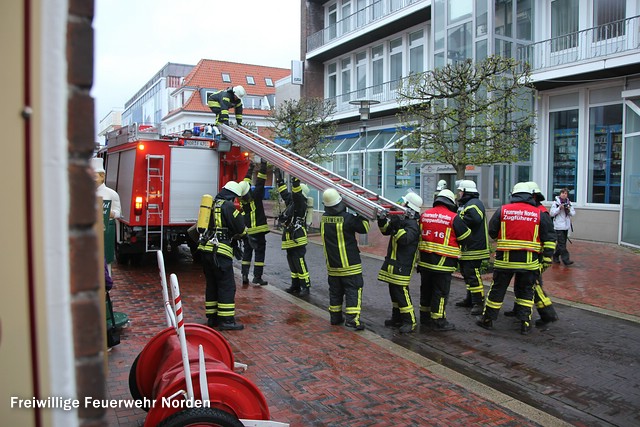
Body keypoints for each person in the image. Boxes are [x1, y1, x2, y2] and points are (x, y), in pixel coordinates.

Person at [477, 182, 556, 335]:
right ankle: (524, 323)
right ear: (529, 196)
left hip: (505, 261)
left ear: (513, 195)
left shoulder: (503, 210)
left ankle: (487, 320)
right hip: (529, 262)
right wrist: (547, 257)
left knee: (497, 290)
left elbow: (492, 231)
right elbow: (549, 237)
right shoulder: (538, 213)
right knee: (526, 291)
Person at [504, 182, 559, 328]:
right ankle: (518, 310)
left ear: (533, 196)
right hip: (527, 255)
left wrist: (547, 257)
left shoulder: (540, 212)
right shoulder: (532, 210)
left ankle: (548, 314)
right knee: (521, 285)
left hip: (535, 256)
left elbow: (549, 237)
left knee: (533, 286)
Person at [418, 189, 470, 331]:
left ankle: (424, 317)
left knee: (426, 290)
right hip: (443, 263)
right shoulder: (453, 218)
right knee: (440, 292)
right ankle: (438, 321)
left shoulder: (424, 215)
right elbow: (465, 238)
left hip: (425, 261)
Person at [198, 180, 247, 330]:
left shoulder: (211, 204)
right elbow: (241, 229)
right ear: (232, 196)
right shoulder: (228, 206)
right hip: (220, 253)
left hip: (206, 250)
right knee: (226, 286)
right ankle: (226, 321)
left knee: (212, 284)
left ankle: (212, 318)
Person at [321, 188, 370, 330]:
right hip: (350, 266)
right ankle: (352, 320)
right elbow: (364, 227)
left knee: (335, 291)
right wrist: (361, 212)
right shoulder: (347, 219)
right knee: (353, 290)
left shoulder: (324, 218)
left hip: (332, 266)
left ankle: (335, 317)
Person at [378, 191, 422, 334]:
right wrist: (382, 220)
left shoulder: (412, 225)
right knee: (394, 292)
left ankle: (410, 321)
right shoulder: (402, 221)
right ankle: (396, 318)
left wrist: (397, 225)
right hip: (393, 262)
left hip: (403, 265)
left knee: (401, 293)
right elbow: (386, 231)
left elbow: (404, 240)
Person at [453, 180, 490, 316]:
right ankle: (470, 299)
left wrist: (458, 221)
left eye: (460, 191)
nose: (459, 193)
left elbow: (474, 219)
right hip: (468, 246)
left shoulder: (475, 204)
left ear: (466, 191)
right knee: (467, 274)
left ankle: (478, 303)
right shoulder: (467, 204)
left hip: (475, 247)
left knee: (473, 275)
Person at [275, 169, 312, 296]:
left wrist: (295, 182)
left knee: (299, 262)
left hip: (298, 238)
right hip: (290, 237)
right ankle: (295, 285)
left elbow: (296, 195)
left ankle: (305, 286)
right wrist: (279, 180)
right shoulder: (292, 202)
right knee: (292, 262)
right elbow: (285, 194)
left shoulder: (301, 203)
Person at [238, 160, 270, 286]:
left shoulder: (242, 199)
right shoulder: (255, 196)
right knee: (259, 253)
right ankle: (257, 277)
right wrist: (263, 165)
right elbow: (260, 182)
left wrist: (250, 169)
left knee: (247, 252)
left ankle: (245, 275)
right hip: (258, 230)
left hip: (247, 230)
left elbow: (245, 183)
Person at [93, 157, 121, 275]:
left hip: (106, 230)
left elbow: (118, 212)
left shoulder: (111, 194)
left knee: (106, 260)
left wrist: (110, 213)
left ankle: (106, 285)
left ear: (102, 177)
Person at [550, 188, 575, 266]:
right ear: (560, 194)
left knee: (562, 244)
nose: (564, 194)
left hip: (566, 226)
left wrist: (568, 210)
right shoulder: (555, 203)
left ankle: (555, 255)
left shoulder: (569, 203)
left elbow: (573, 213)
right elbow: (551, 213)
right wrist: (559, 208)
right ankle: (566, 260)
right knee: (562, 244)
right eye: (563, 193)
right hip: (558, 226)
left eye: (566, 193)